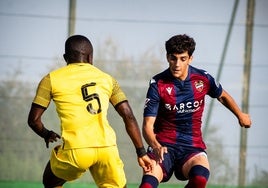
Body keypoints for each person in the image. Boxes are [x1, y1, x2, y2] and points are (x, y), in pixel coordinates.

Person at [27, 35, 152, 188]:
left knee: (50, 181)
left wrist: (46, 134)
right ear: (90, 57)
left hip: (76, 151)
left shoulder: (51, 79)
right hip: (107, 148)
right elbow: (128, 116)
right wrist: (141, 152)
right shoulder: (108, 79)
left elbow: (33, 120)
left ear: (65, 57)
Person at [139, 34, 252, 188]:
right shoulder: (157, 84)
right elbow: (147, 126)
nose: (177, 64)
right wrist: (155, 144)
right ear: (167, 57)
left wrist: (240, 114)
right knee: (147, 185)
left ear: (190, 58)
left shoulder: (202, 78)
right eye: (173, 58)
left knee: (199, 179)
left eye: (182, 58)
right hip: (163, 147)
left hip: (192, 147)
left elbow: (222, 96)